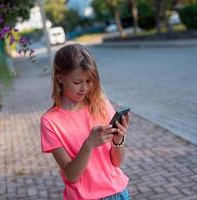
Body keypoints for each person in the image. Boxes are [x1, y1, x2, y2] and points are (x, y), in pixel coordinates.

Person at [40, 43, 130, 200]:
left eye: (89, 81)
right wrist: (89, 144)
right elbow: (72, 175)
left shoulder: (101, 105)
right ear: (59, 77)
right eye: (77, 82)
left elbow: (117, 162)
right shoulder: (50, 122)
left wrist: (118, 140)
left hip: (118, 193)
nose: (84, 88)